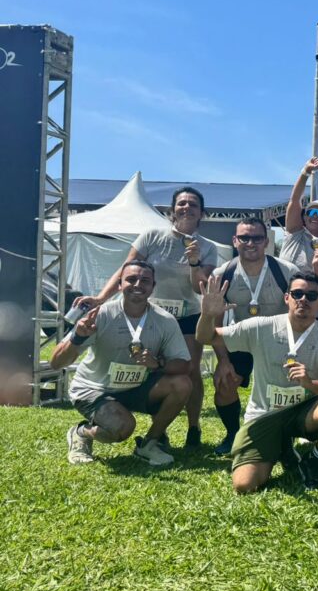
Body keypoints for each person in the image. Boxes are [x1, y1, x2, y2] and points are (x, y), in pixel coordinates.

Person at [75, 186, 218, 447]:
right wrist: (101, 298)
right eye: (181, 203)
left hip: (187, 316)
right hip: (150, 316)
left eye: (193, 204)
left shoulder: (208, 247)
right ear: (172, 210)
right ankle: (157, 432)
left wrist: (195, 262)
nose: (186, 208)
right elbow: (126, 271)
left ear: (202, 213)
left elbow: (200, 288)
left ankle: (193, 428)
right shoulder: (152, 236)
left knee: (189, 371)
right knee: (152, 367)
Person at [196, 271, 318, 492]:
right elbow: (206, 337)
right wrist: (207, 316)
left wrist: (310, 383)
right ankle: (282, 448)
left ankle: (313, 460)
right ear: (286, 298)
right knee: (244, 485)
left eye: (311, 296)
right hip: (264, 414)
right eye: (297, 294)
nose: (303, 300)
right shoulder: (261, 327)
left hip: (304, 412)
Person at [53, 260, 192, 467]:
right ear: (119, 284)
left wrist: (157, 363)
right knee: (123, 428)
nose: (138, 285)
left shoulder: (165, 320)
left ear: (153, 287)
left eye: (145, 281)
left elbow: (185, 365)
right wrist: (78, 337)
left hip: (135, 388)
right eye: (131, 279)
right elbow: (56, 362)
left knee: (182, 384)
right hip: (95, 390)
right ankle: (81, 432)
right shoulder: (100, 315)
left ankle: (149, 444)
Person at [208, 218, 297, 455]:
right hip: (243, 339)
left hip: (279, 341)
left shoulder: (286, 271)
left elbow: (300, 310)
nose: (251, 243)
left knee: (287, 388)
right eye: (244, 238)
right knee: (224, 383)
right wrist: (223, 361)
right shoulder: (222, 274)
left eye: (257, 238)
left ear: (266, 242)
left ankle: (286, 435)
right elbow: (215, 322)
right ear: (234, 241)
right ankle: (232, 434)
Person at [280, 156, 318, 272]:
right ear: (304, 217)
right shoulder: (294, 233)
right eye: (311, 212)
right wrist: (306, 171)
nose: (315, 216)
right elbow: (295, 200)